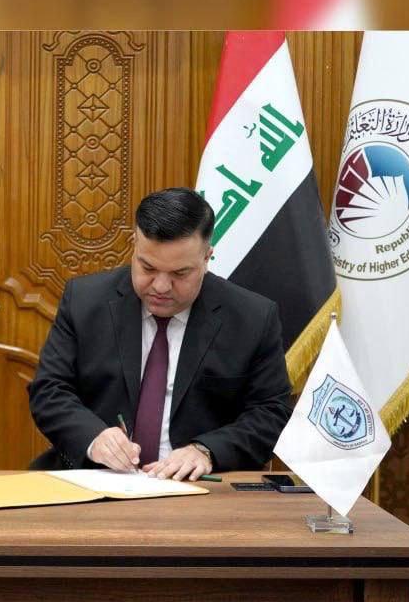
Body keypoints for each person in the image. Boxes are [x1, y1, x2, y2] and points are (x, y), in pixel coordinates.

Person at [28, 187, 291, 480]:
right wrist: (94, 438)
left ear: (207, 257)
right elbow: (49, 390)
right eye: (148, 268)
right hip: (96, 479)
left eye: (180, 273)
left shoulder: (252, 318)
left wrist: (206, 450)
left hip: (196, 487)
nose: (161, 287)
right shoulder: (84, 301)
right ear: (134, 246)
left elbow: (271, 412)